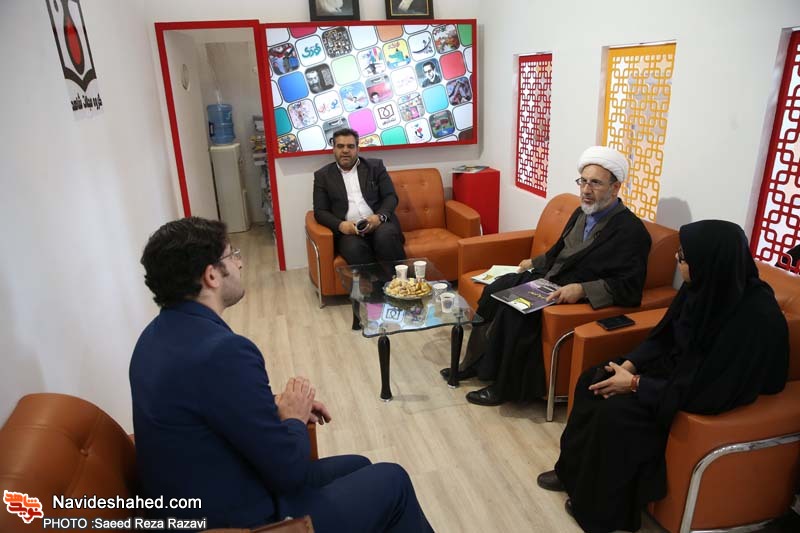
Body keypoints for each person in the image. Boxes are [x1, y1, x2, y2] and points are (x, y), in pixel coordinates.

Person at [130, 217, 432, 532]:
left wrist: (275, 406)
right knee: (393, 480)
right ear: (211, 276)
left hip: (196, 501)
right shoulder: (224, 352)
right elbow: (289, 472)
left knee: (360, 465)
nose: (239, 263)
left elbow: (209, 408)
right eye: (232, 255)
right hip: (244, 520)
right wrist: (293, 418)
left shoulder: (152, 338)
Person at [537, 220, 789, 533]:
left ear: (708, 261)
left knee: (616, 412)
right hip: (675, 371)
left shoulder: (754, 316)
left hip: (703, 389)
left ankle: (602, 511)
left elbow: (712, 388)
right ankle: (570, 472)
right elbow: (664, 335)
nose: (676, 259)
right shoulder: (704, 285)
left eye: (683, 257)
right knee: (593, 379)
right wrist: (629, 365)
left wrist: (635, 385)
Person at [444, 146, 652, 407]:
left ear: (615, 187)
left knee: (514, 310)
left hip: (573, 294)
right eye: (583, 181)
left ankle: (503, 387)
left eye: (595, 183)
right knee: (495, 289)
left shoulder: (631, 231)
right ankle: (475, 363)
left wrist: (582, 289)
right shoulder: (581, 212)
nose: (586, 190)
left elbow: (630, 286)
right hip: (549, 279)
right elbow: (559, 250)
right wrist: (534, 262)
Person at [313, 128, 406, 265]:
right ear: (334, 149)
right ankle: (378, 279)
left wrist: (379, 217)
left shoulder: (375, 167)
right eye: (340, 146)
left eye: (350, 146)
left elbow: (390, 196)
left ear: (358, 149)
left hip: (379, 225)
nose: (345, 150)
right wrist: (341, 225)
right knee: (354, 249)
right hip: (349, 232)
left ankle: (400, 278)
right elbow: (320, 211)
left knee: (386, 236)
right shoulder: (322, 176)